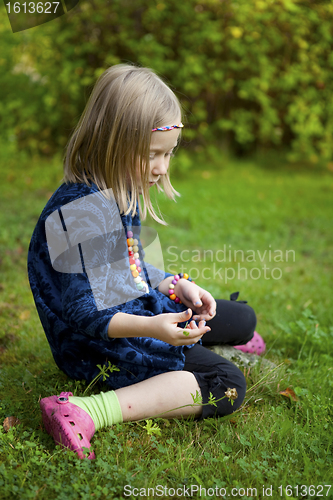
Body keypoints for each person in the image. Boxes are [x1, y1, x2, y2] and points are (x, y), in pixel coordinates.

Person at [28, 64, 260, 460]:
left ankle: (211, 336)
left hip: (134, 309)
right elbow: (83, 311)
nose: (162, 168)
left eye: (168, 154)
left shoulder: (121, 190)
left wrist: (174, 285)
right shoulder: (83, 211)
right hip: (101, 344)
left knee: (243, 318)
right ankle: (84, 410)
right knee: (226, 382)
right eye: (153, 155)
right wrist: (156, 327)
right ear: (111, 144)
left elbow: (129, 268)